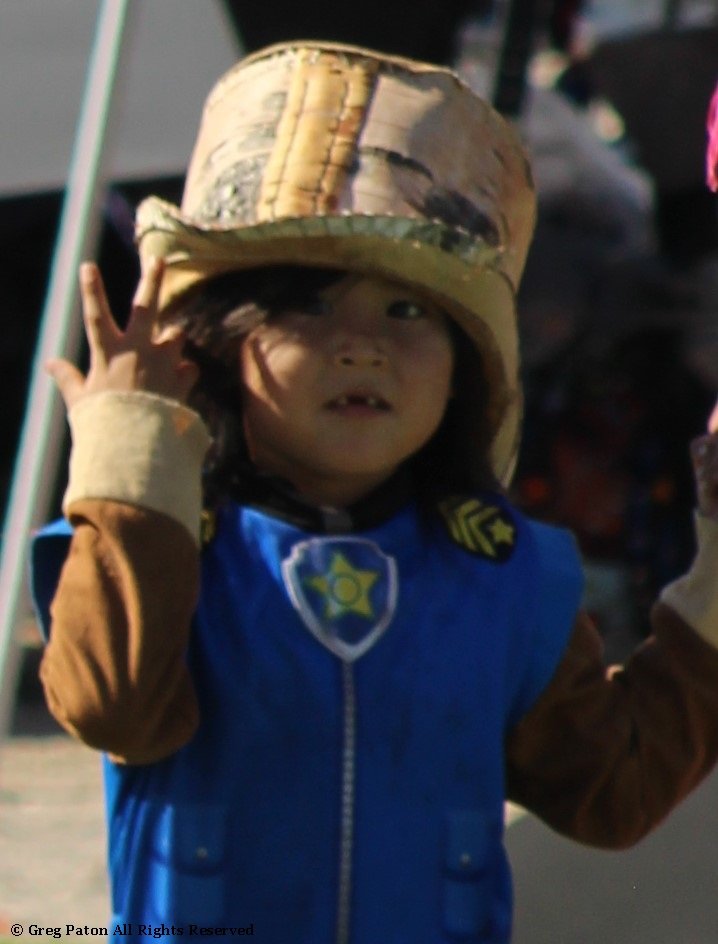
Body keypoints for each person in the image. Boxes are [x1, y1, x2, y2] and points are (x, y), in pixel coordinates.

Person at [30, 42, 718, 944]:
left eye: (409, 312)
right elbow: (111, 705)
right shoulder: (163, 546)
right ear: (218, 348)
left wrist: (714, 589)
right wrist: (129, 461)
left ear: (464, 374)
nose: (363, 346)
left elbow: (614, 793)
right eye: (310, 305)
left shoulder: (509, 577)